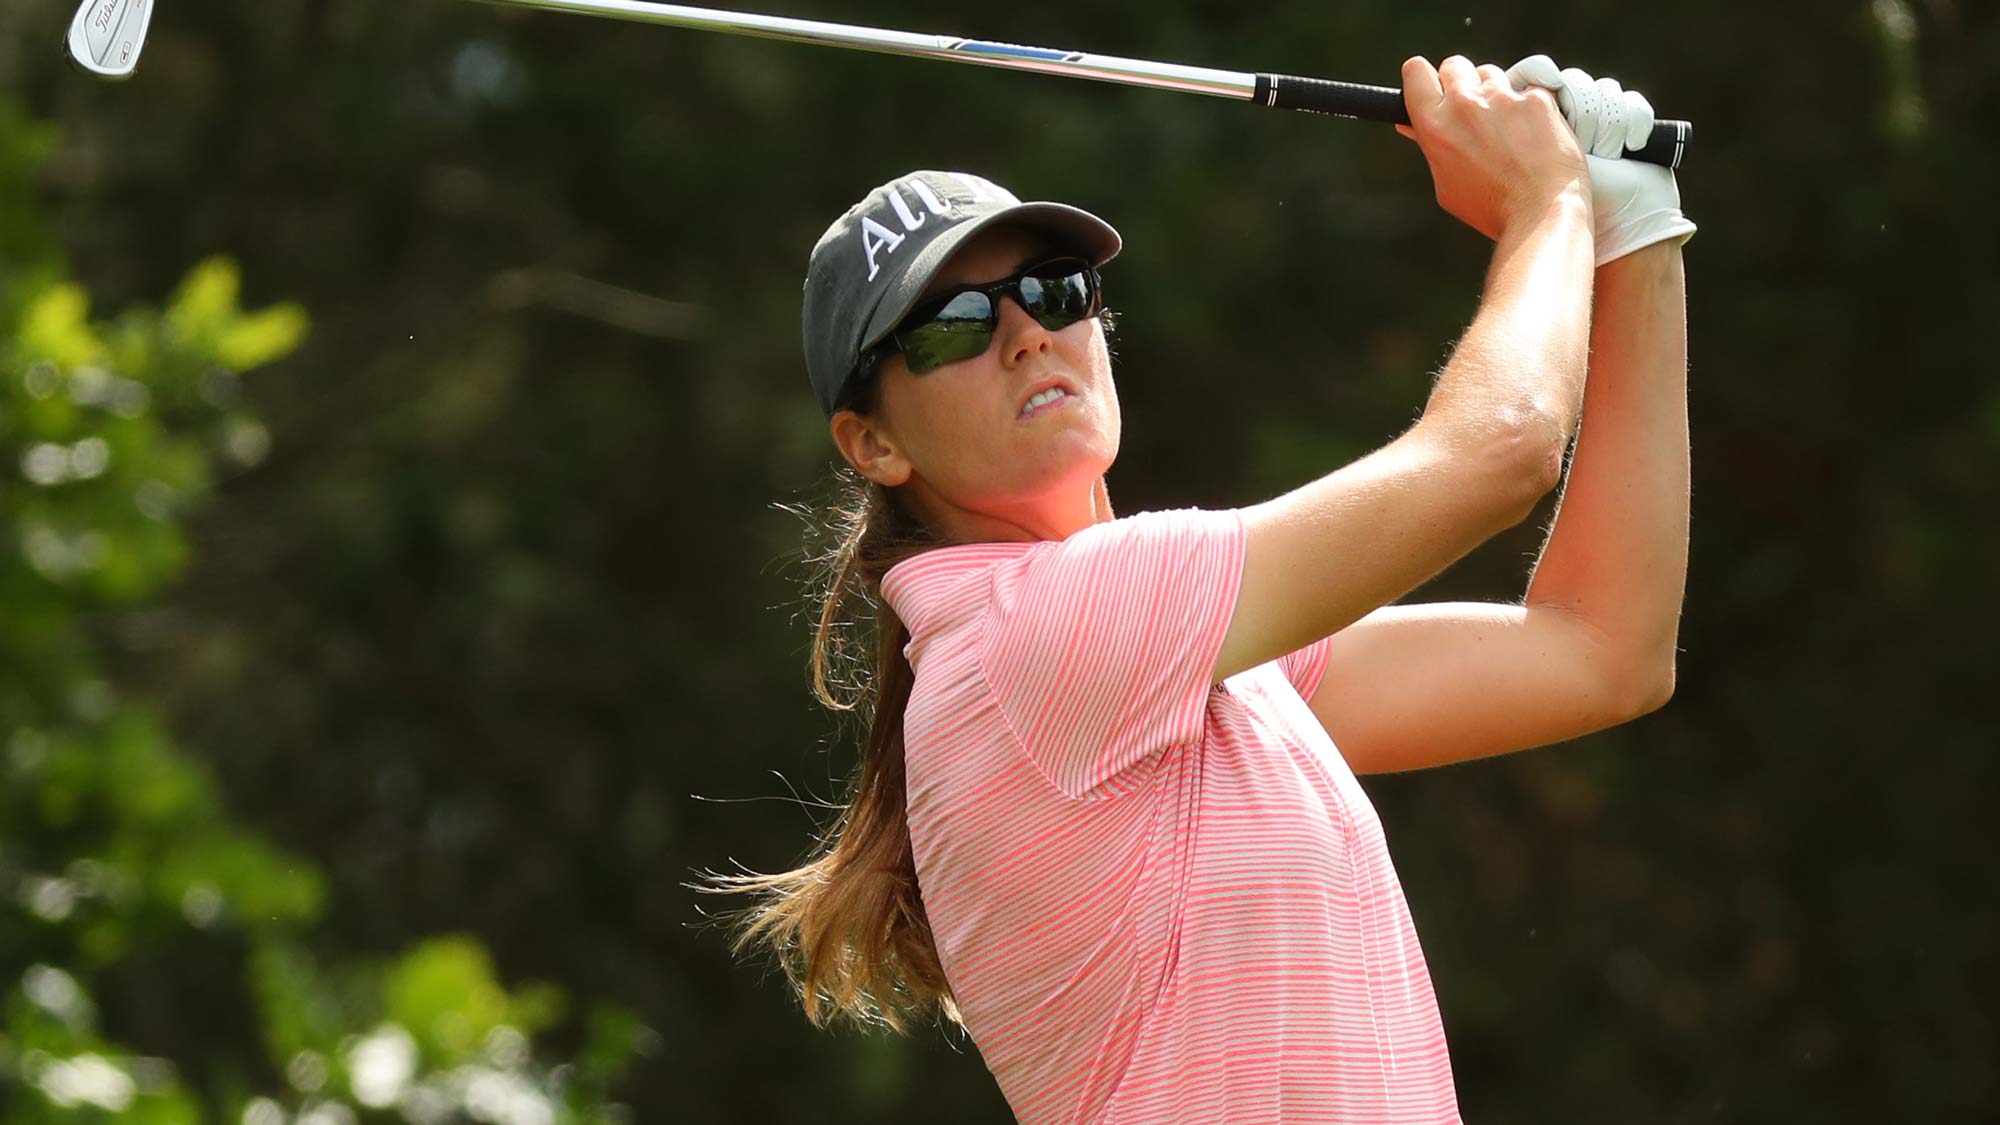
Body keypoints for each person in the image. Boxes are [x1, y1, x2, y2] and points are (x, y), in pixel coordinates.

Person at [705, 53, 1694, 1124]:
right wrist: (1543, 203)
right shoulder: (1034, 632)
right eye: (951, 324)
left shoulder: (1185, 666)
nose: (1026, 331)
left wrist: (1631, 239)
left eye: (1052, 290)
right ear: (873, 443)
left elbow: (1601, 650)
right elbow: (1498, 452)